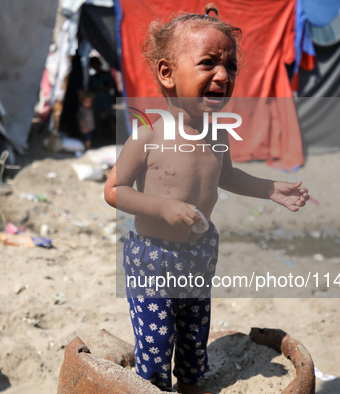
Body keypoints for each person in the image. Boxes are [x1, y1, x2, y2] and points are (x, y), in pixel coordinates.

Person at [104, 5, 310, 393]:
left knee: (195, 334)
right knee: (157, 339)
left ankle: (191, 384)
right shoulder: (147, 136)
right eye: (208, 64)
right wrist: (162, 207)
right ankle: (155, 386)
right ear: (167, 73)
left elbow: (226, 175)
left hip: (199, 252)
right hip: (152, 257)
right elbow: (114, 190)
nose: (223, 75)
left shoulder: (217, 136)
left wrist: (270, 189)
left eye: (230, 66)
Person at [88, 56, 116, 138]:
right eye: (93, 65)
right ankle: (99, 136)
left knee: (111, 119)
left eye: (96, 64)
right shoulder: (92, 78)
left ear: (99, 64)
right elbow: (91, 89)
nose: (95, 66)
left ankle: (115, 135)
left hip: (106, 101)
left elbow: (111, 85)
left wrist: (100, 89)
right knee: (97, 120)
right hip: (97, 102)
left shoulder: (106, 75)